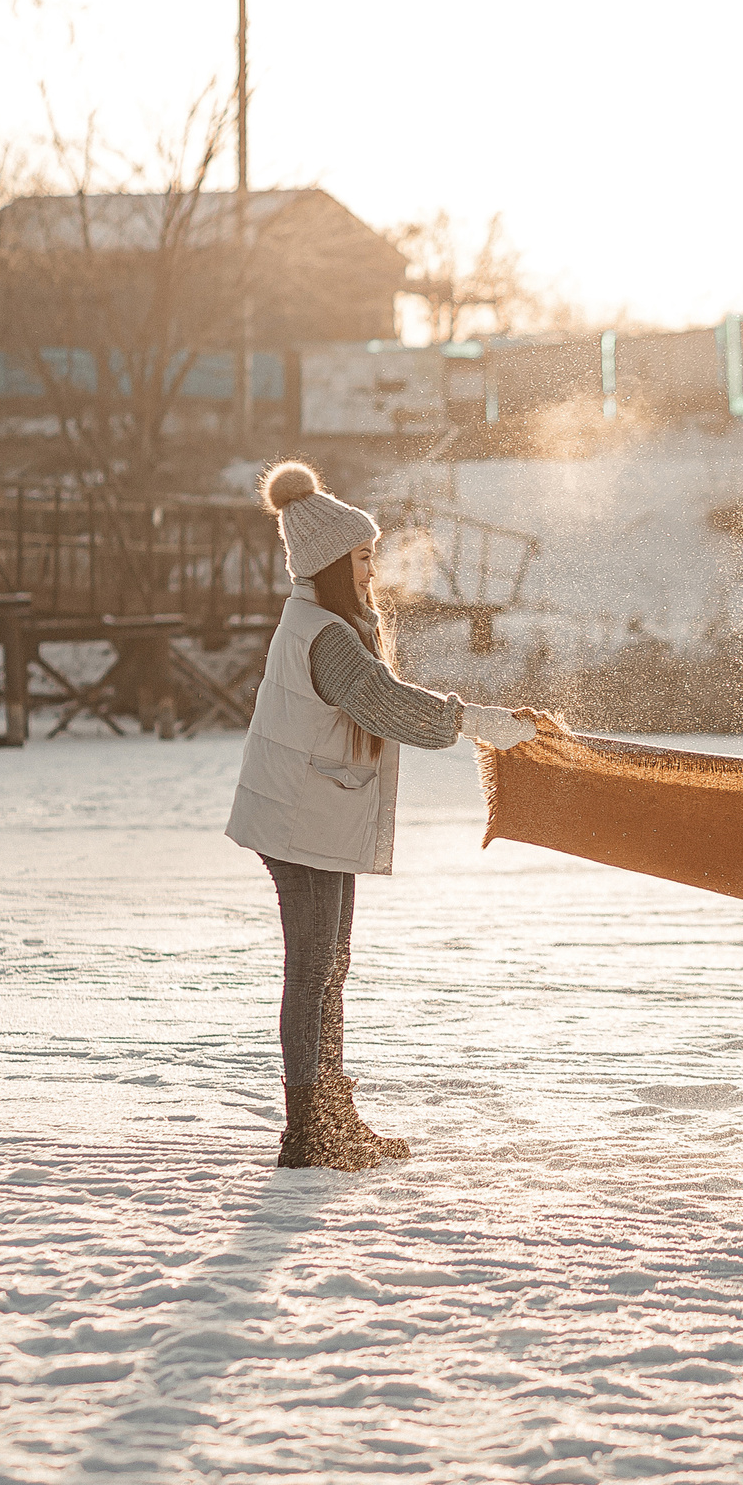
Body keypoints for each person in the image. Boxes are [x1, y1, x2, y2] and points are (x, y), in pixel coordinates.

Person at [225, 462, 539, 1171]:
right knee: (314, 971)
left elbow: (380, 697)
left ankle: (332, 1116)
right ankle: (310, 1130)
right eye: (363, 558)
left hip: (313, 812)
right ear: (332, 561)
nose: (373, 570)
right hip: (300, 820)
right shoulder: (325, 635)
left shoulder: (327, 622)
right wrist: (484, 723)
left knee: (329, 968)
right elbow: (388, 706)